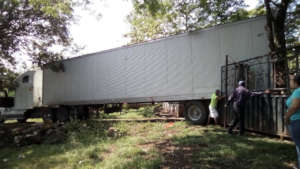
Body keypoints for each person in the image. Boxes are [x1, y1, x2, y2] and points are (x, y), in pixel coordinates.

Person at [286, 73, 300, 169]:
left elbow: (294, 106)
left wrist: (286, 117)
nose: (290, 82)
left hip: (297, 121)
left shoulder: (298, 91)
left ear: (296, 82)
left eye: (291, 80)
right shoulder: (296, 91)